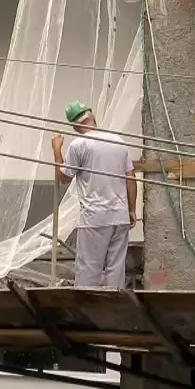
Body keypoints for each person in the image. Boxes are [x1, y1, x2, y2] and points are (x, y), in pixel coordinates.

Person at [51, 100, 137, 287]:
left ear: (74, 126)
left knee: (89, 269)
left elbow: (63, 178)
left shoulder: (79, 145)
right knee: (116, 269)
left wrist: (57, 150)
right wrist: (131, 209)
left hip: (95, 218)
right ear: (93, 117)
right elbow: (130, 177)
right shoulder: (119, 142)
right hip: (119, 216)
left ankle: (86, 308)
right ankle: (114, 307)